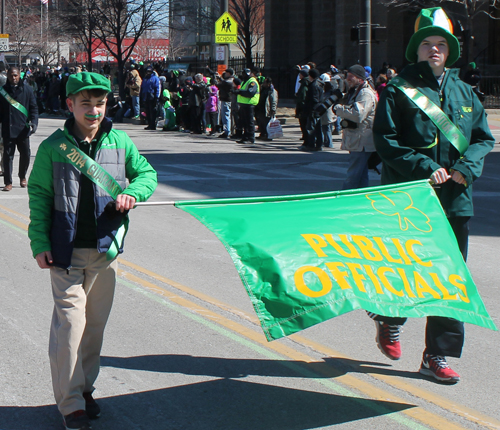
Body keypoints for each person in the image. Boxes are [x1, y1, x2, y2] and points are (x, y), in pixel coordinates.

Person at [27, 71, 157, 429]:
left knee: (93, 329)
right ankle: (71, 404)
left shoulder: (120, 141)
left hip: (105, 252)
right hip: (65, 253)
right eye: (86, 103)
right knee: (70, 325)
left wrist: (136, 193)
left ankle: (85, 389)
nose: (94, 111)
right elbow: (38, 196)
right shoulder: (54, 146)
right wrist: (39, 242)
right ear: (70, 105)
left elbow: (147, 174)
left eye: (99, 103)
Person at [371, 7, 494, 383]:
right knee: (405, 268)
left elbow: (483, 139)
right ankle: (391, 319)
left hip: (455, 199)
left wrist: (466, 167)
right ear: (416, 49)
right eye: (427, 43)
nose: (435, 49)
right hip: (411, 197)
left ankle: (437, 355)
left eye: (441, 43)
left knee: (450, 277)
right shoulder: (398, 90)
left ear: (450, 50)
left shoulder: (465, 92)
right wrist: (425, 167)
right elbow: (386, 143)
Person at [334, 64, 377, 188]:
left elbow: (358, 114)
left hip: (361, 141)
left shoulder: (365, 93)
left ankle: (345, 199)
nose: (348, 79)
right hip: (358, 140)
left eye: (351, 77)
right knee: (361, 174)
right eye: (347, 76)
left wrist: (338, 109)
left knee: (353, 175)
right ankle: (361, 198)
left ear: (360, 79)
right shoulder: (357, 91)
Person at [1, 66, 38, 191]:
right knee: (7, 157)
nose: (14, 77)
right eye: (11, 75)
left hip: (23, 129)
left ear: (19, 75)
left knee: (26, 155)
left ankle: (22, 176)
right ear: (8, 76)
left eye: (16, 75)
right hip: (8, 128)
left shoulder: (27, 90)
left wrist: (34, 122)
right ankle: (8, 182)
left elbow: (34, 108)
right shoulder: (3, 91)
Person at [235, 68, 260, 144]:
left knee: (249, 122)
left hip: (250, 104)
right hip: (244, 104)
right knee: (244, 122)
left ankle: (250, 138)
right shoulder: (244, 81)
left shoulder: (252, 82)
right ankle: (245, 137)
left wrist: (239, 92)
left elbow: (250, 93)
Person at [215, 68, 234, 139]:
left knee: (225, 115)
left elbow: (220, 85)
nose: (224, 74)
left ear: (229, 73)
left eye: (226, 73)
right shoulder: (229, 80)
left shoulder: (228, 81)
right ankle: (228, 130)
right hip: (227, 99)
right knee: (227, 115)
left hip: (226, 100)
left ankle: (227, 131)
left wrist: (217, 79)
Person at [140, 66, 160, 130]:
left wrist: (156, 97)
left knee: (153, 112)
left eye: (149, 71)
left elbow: (157, 88)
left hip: (152, 97)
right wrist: (141, 96)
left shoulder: (155, 78)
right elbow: (142, 88)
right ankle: (149, 124)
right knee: (147, 112)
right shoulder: (145, 79)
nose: (148, 73)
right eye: (147, 71)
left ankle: (153, 125)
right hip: (146, 97)